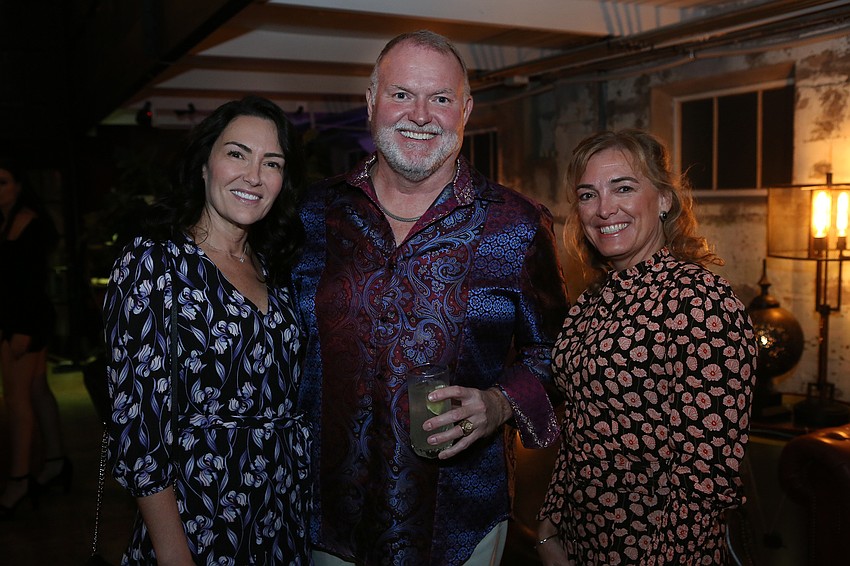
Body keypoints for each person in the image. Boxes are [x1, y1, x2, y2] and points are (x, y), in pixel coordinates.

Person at [292, 30, 569, 565]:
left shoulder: (517, 224)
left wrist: (500, 403)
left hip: (460, 524)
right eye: (401, 94)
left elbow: (557, 350)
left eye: (439, 98)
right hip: (325, 522)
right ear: (372, 103)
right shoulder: (310, 214)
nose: (419, 114)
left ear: (465, 110)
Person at [102, 95, 311, 564]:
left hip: (282, 518)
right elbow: (138, 434)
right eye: (237, 153)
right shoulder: (154, 265)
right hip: (200, 518)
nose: (254, 176)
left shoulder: (275, 264)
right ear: (204, 164)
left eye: (271, 162)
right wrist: (175, 554)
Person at [536, 129, 757, 565]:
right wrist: (549, 525)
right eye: (587, 194)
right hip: (580, 542)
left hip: (657, 550)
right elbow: (584, 421)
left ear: (662, 200)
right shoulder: (595, 299)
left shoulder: (700, 302)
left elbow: (705, 478)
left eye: (623, 187)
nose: (604, 209)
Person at [0, 157, 70, 520]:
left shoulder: (28, 224)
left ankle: (19, 479)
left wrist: (21, 331)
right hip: (22, 319)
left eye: (3, 182)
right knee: (37, 390)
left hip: (25, 322)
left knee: (17, 400)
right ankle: (56, 461)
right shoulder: (9, 222)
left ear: (19, 185)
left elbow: (30, 284)